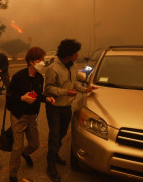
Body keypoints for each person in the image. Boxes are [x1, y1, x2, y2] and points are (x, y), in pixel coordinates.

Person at [44, 39, 97, 182]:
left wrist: (86, 89)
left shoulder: (73, 66)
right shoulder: (53, 68)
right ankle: (50, 164)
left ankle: (54, 154)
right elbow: (48, 89)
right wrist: (65, 92)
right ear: (69, 53)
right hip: (54, 107)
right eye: (76, 52)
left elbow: (74, 85)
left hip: (67, 107)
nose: (78, 55)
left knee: (61, 134)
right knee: (54, 135)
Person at [7, 47, 56, 182]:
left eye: (43, 59)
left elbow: (38, 94)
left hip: (32, 116)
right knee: (17, 147)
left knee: (35, 144)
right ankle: (12, 175)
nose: (43, 62)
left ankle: (26, 153)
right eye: (40, 59)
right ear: (31, 61)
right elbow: (9, 94)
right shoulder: (18, 76)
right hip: (18, 116)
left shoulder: (39, 77)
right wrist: (22, 98)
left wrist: (46, 99)